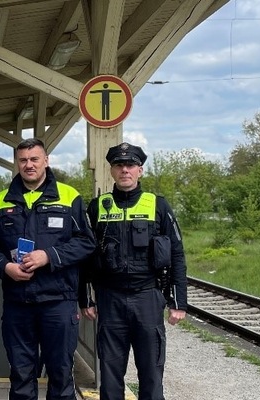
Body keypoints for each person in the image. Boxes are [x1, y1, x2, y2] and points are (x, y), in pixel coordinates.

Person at [0, 138, 96, 400]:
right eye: (23, 160)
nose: (29, 165)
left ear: (46, 161)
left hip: (58, 302)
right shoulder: (1, 201)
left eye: (34, 159)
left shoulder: (69, 196)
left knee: (61, 373)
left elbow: (87, 243)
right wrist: (5, 267)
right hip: (18, 304)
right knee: (21, 376)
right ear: (17, 163)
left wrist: (49, 255)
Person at [80, 142, 187, 400]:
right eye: (119, 165)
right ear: (112, 171)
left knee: (151, 372)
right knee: (110, 371)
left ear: (140, 170)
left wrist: (178, 302)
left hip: (148, 298)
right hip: (110, 298)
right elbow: (84, 255)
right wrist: (86, 298)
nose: (125, 170)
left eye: (130, 165)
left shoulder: (158, 206)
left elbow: (176, 255)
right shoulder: (97, 207)